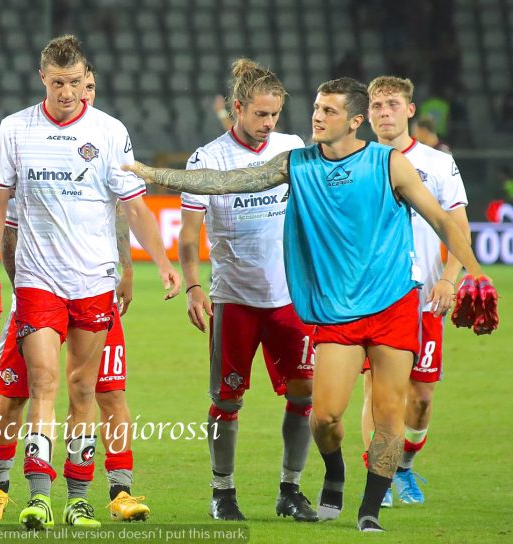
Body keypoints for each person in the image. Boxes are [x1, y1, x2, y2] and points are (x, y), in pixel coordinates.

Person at [125, 77, 496, 532]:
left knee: (389, 412)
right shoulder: (297, 163)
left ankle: (369, 510)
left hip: (393, 303)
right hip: (335, 311)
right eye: (317, 108)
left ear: (355, 121)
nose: (317, 117)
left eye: (329, 111)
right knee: (325, 416)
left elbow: (440, 218)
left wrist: (473, 272)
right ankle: (335, 470)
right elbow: (223, 182)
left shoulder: (389, 164)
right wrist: (155, 175)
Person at [0, 35, 180, 530]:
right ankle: (38, 495)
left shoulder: (109, 131)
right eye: (57, 82)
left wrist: (162, 261)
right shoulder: (16, 129)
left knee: (85, 390)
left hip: (93, 281)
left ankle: (79, 498)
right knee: (43, 383)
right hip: (38, 280)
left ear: (85, 78)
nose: (67, 92)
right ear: (42, 78)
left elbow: (135, 207)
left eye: (73, 82)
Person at [179, 59, 316, 522]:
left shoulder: (292, 149)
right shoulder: (208, 159)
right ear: (237, 108)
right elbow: (188, 235)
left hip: (291, 298)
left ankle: (290, 489)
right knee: (227, 399)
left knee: (304, 392)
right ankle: (223, 492)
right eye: (260, 113)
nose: (268, 122)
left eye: (274, 114)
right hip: (235, 298)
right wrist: (193, 286)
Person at [360, 76, 471, 506]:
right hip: (375, 299)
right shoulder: (355, 161)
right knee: (377, 392)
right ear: (366, 114)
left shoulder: (438, 164)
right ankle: (379, 478)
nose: (384, 112)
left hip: (426, 299)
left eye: (392, 104)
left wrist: (449, 279)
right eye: (376, 105)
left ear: (409, 110)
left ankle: (404, 467)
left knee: (421, 399)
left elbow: (458, 228)